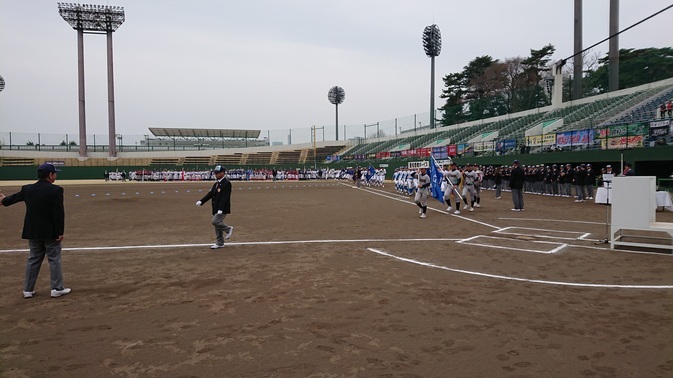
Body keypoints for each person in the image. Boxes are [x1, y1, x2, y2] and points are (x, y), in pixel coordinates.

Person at [0, 163, 71, 299]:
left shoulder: (27, 189)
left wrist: (4, 201)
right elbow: (58, 213)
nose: (55, 175)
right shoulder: (56, 190)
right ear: (50, 175)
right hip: (50, 232)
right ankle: (56, 288)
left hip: (32, 231)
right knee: (54, 259)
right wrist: (60, 232)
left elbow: (14, 198)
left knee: (33, 259)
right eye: (55, 173)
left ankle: (28, 290)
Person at [196, 165, 234, 249]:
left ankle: (228, 229)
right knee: (217, 226)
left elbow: (225, 197)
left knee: (215, 221)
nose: (216, 175)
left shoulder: (226, 183)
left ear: (223, 173)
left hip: (222, 208)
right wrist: (202, 201)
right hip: (216, 207)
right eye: (215, 173)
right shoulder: (216, 184)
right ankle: (220, 243)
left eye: (218, 173)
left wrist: (220, 208)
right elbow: (211, 194)